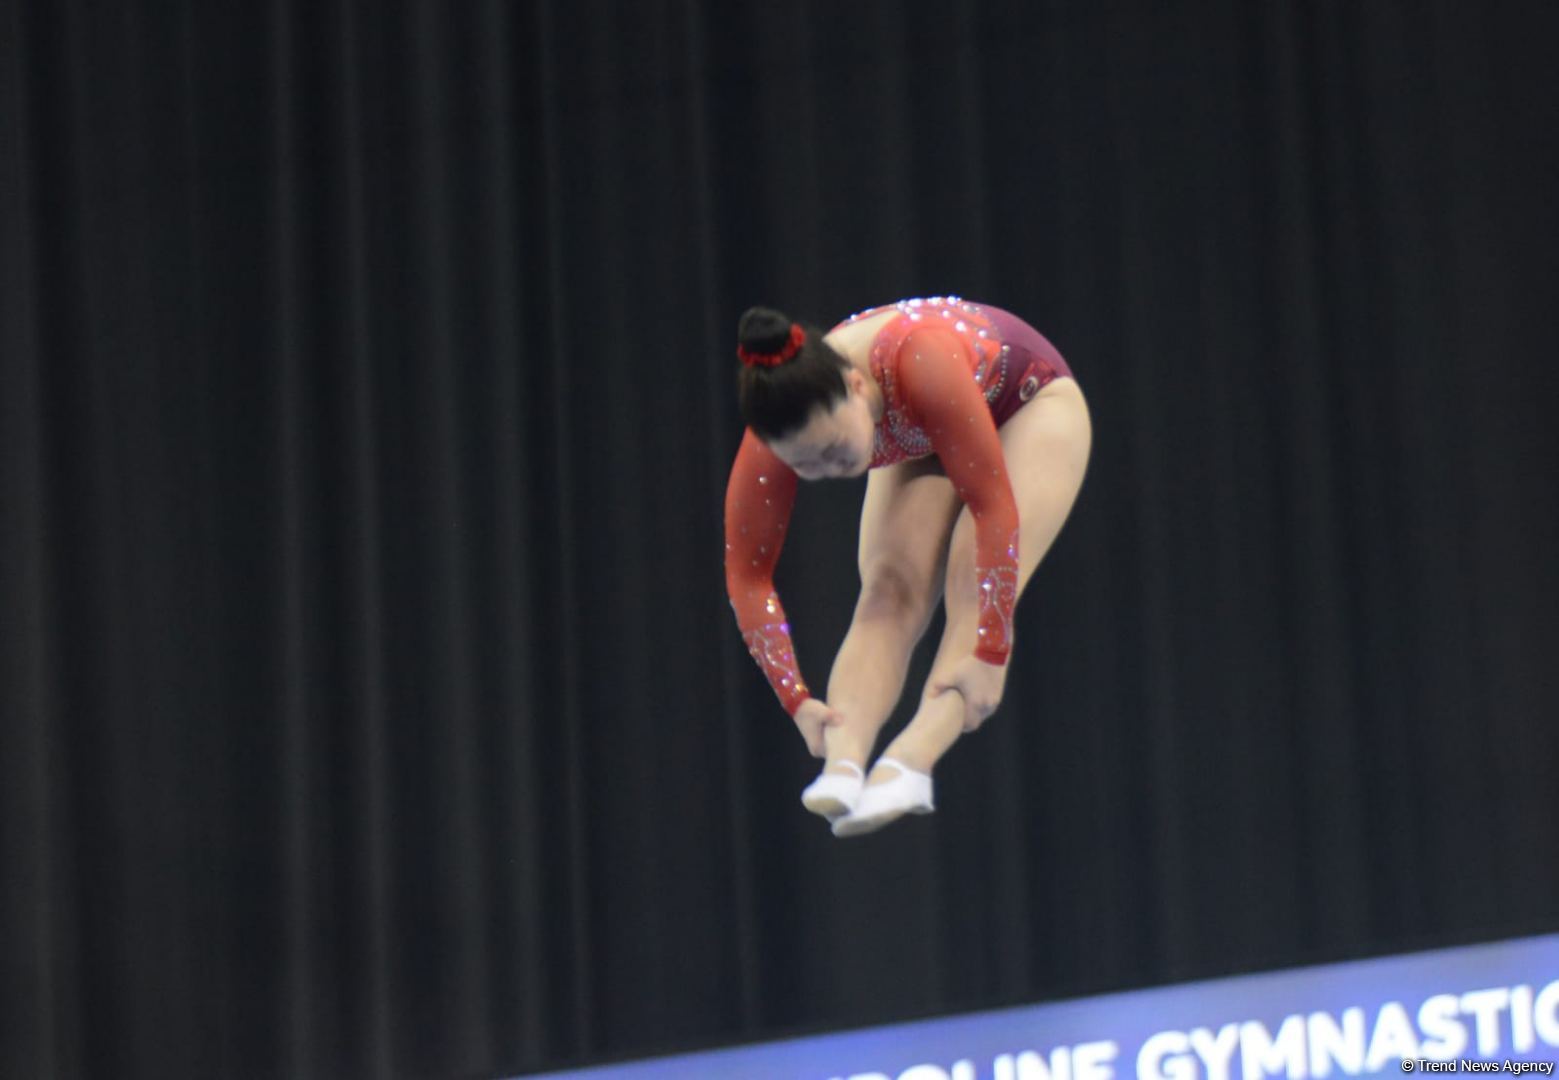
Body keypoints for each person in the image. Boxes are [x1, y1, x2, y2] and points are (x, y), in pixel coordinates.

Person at [723, 297, 1092, 837]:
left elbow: (993, 508)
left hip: (1027, 402)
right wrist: (797, 699)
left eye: (831, 450)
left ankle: (911, 763)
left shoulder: (918, 362)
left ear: (853, 387)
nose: (828, 471)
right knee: (887, 592)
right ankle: (844, 762)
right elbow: (747, 577)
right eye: (806, 465)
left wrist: (992, 646)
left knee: (975, 582)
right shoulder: (774, 431)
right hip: (923, 420)